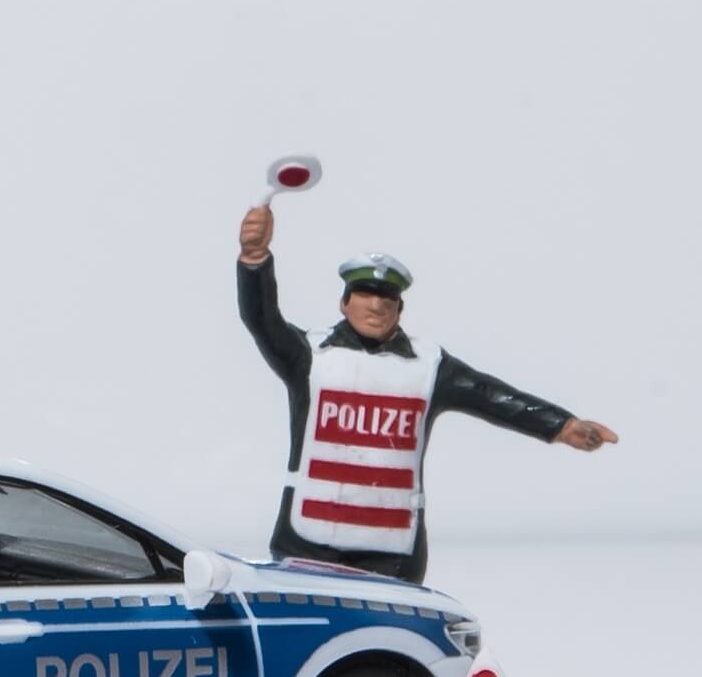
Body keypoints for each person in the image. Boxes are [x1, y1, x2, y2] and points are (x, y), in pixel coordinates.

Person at [236, 204, 616, 584]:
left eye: (387, 297)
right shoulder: (309, 356)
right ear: (344, 301)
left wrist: (561, 425)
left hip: (391, 552)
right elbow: (262, 319)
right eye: (365, 293)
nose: (376, 305)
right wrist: (255, 260)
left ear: (400, 308)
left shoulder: (429, 366)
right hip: (308, 543)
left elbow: (491, 396)